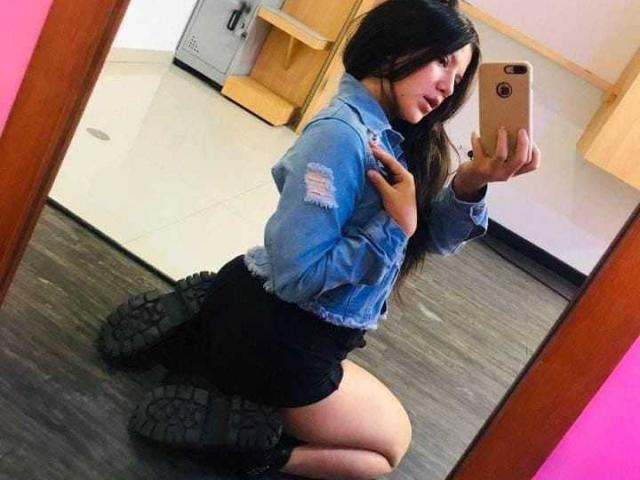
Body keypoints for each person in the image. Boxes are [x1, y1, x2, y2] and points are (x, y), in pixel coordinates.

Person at [98, 0, 540, 478]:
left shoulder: (393, 134)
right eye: (443, 61)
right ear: (397, 45)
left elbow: (429, 237)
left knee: (366, 416)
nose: (449, 86)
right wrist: (394, 227)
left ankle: (203, 340)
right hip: (286, 337)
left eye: (459, 76)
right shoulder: (340, 137)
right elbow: (298, 277)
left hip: (261, 301)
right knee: (387, 451)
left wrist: (471, 181)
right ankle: (252, 445)